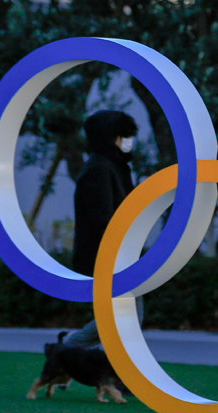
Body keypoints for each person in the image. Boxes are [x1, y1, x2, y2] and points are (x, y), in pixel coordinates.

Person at [63, 110, 142, 349]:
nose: (127, 141)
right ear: (111, 138)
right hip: (108, 258)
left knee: (125, 318)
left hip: (118, 256)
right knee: (124, 318)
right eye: (122, 136)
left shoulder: (113, 167)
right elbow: (103, 221)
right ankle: (66, 350)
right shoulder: (99, 169)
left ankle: (68, 351)